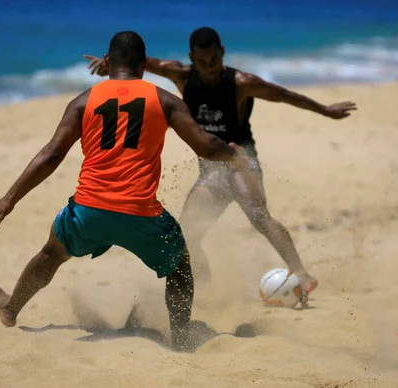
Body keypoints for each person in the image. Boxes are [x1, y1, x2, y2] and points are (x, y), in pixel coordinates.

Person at [0, 31, 249, 351]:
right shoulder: (165, 100)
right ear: (144, 64)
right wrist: (234, 154)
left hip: (88, 211)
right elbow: (206, 146)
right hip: (141, 215)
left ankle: (11, 309)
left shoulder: (82, 101)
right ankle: (181, 336)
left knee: (51, 252)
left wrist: (8, 199)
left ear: (108, 62)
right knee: (180, 264)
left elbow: (51, 154)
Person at [84, 27, 358, 307]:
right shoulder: (182, 75)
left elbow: (284, 95)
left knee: (257, 215)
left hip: (241, 160)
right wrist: (113, 65)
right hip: (212, 168)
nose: (208, 68)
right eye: (201, 62)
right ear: (191, 58)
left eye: (213, 60)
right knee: (187, 237)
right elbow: (142, 62)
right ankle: (207, 293)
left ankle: (302, 273)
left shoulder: (241, 82)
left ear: (222, 53)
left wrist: (325, 110)